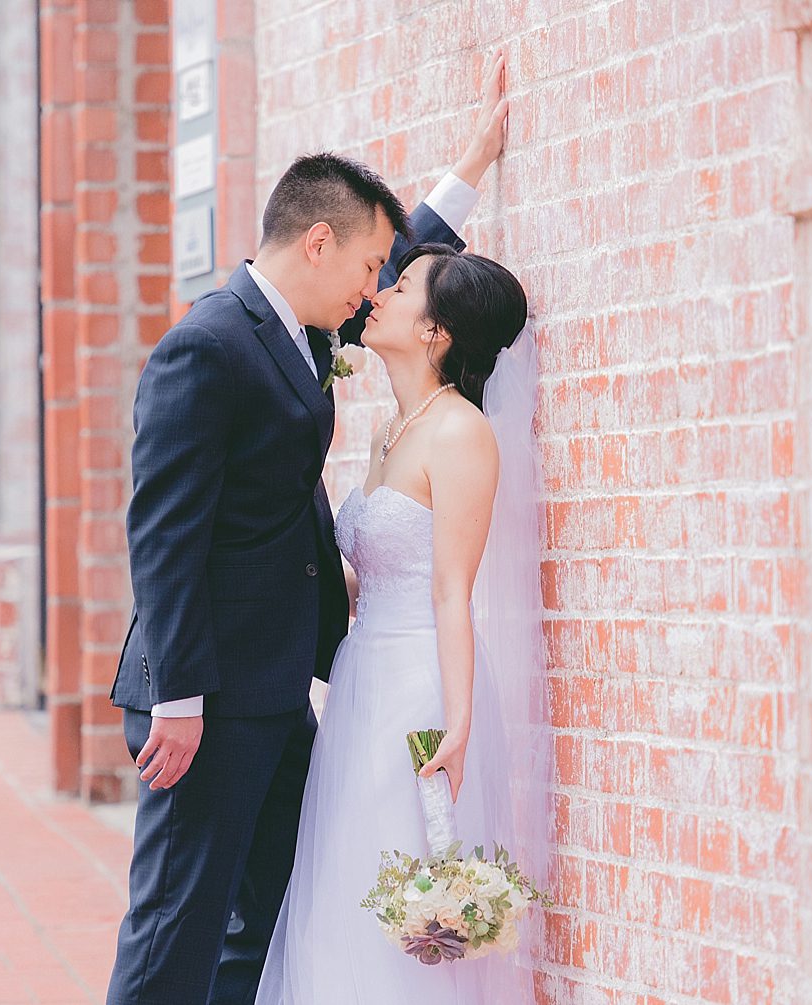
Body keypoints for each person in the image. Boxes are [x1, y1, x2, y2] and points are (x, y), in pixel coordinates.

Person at [105, 54, 512, 1005]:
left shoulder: (305, 332)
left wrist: (474, 163)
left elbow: (422, 279)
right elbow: (161, 532)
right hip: (203, 697)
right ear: (318, 243)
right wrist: (180, 698)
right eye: (371, 267)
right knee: (177, 924)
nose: (378, 290)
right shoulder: (208, 345)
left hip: (281, 685)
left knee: (273, 916)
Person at [253, 243, 546, 1003]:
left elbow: (451, 589)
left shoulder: (459, 433)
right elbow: (371, 571)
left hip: (417, 687)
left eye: (403, 284)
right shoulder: (392, 427)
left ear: (435, 331)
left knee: (401, 881)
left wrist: (457, 722)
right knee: (349, 874)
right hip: (360, 682)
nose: (379, 293)